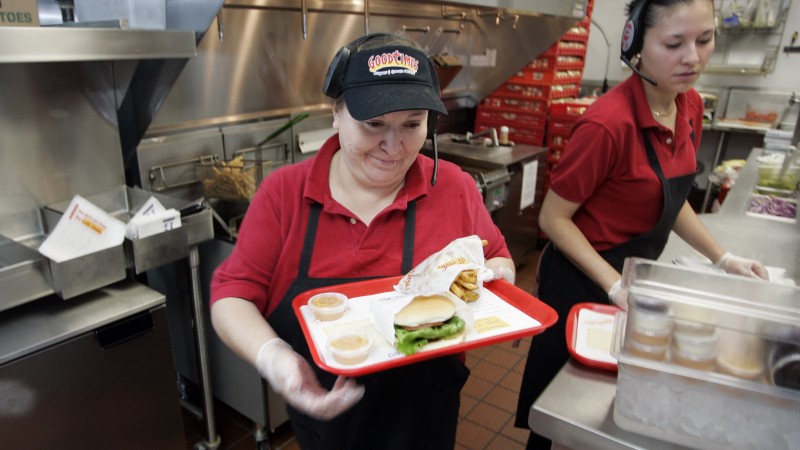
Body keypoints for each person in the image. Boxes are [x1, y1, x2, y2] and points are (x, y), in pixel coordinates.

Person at [210, 33, 516, 450]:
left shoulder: (455, 188)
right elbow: (231, 296)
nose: (393, 147)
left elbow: (496, 258)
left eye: (412, 124)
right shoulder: (283, 194)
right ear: (336, 113)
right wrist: (276, 360)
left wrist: (496, 284)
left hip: (426, 421)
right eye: (374, 125)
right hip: (328, 422)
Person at [514, 1, 769, 448]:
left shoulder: (688, 105)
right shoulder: (606, 124)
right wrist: (614, 286)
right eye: (674, 43)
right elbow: (554, 219)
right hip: (582, 278)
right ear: (634, 44)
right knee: (558, 410)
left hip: (631, 276)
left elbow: (671, 198)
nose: (692, 56)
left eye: (704, 39)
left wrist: (724, 258)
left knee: (612, 404)